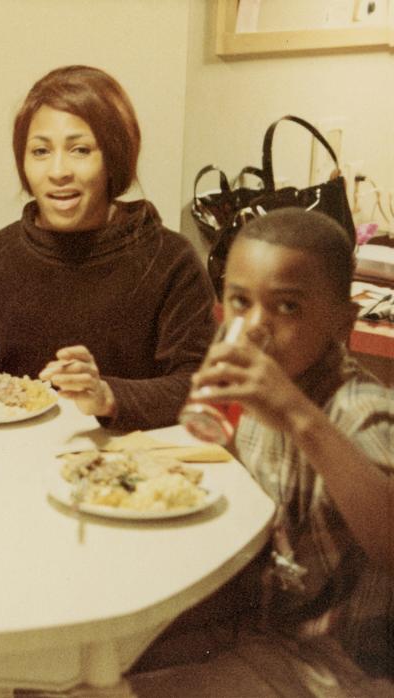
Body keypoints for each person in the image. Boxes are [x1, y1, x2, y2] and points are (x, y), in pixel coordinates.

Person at [131, 208, 393, 693]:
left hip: (341, 670)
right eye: (239, 301)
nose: (254, 326)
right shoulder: (258, 396)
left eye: (287, 307)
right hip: (264, 628)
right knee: (101, 659)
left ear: (343, 321)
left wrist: (299, 418)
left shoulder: (363, 412)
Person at [0, 65, 216, 430]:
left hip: (124, 465)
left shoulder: (170, 261)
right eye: (40, 151)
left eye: (80, 150)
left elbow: (196, 388)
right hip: (10, 461)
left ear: (113, 159)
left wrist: (107, 396)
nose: (58, 171)